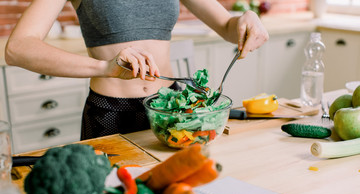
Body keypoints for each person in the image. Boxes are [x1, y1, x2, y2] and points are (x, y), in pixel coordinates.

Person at [5, 0, 269, 140]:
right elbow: (18, 48)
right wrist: (104, 67)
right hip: (110, 113)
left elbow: (226, 25)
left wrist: (245, 20)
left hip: (172, 111)